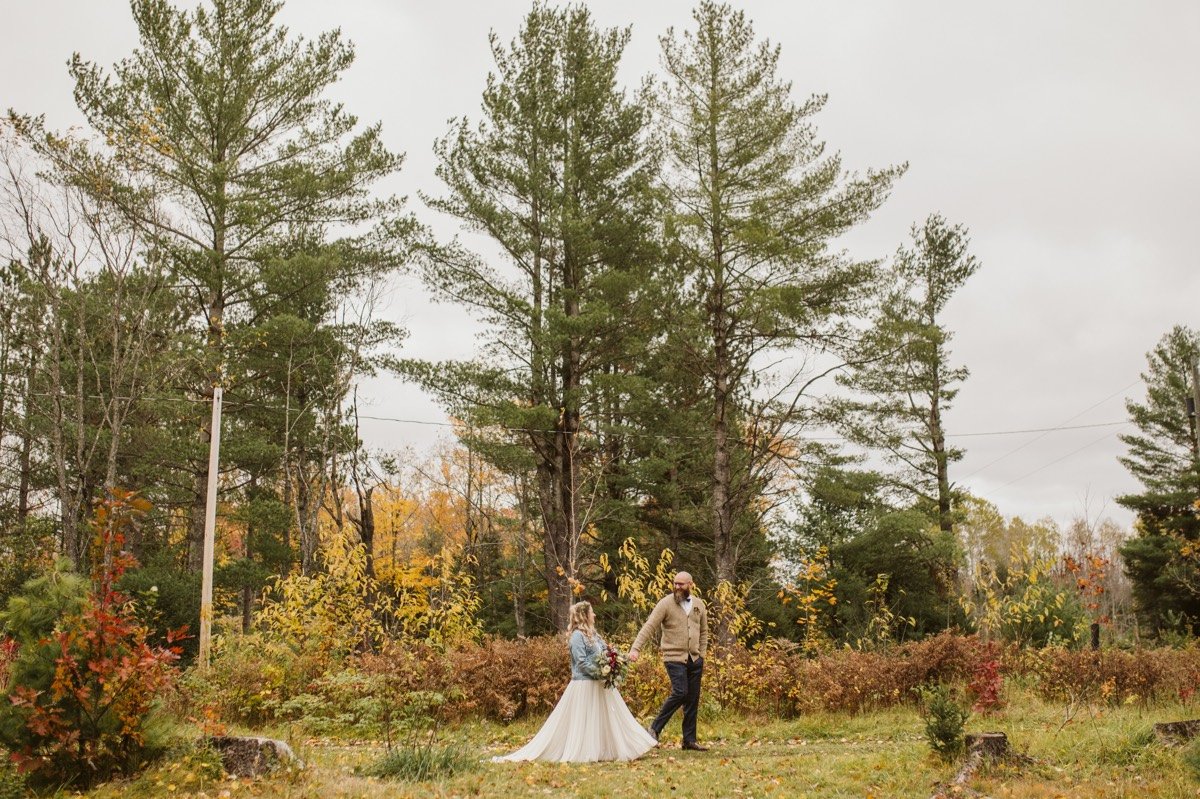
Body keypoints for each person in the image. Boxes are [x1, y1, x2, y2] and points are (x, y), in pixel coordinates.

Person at [493, 600, 657, 762]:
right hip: (584, 685)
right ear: (585, 615)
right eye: (591, 612)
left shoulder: (594, 634)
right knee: (585, 720)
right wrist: (601, 672)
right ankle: (584, 751)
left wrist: (621, 660)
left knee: (606, 719)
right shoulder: (577, 637)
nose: (594, 614)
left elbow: (608, 652)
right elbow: (581, 662)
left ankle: (609, 749)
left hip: (599, 685)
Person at [629, 571, 709, 751]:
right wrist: (635, 648)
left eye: (681, 584)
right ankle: (654, 729)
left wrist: (701, 655)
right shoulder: (666, 603)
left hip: (695, 658)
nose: (677, 587)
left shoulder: (699, 605)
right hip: (673, 657)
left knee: (692, 698)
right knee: (681, 692)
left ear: (691, 584)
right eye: (675, 583)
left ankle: (689, 741)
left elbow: (704, 631)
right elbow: (650, 626)